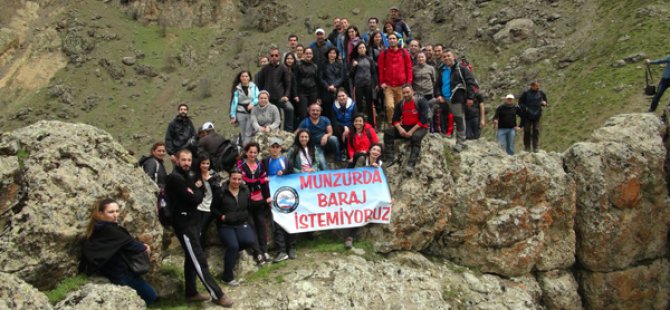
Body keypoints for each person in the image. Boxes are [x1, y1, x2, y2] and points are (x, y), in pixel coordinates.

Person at [165, 149, 233, 307]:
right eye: (183, 160)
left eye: (189, 160)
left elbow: (198, 194)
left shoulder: (188, 176)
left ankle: (191, 292)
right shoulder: (174, 178)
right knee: (198, 259)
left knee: (191, 258)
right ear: (176, 160)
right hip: (184, 225)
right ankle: (217, 294)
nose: (187, 163)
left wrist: (196, 190)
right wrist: (196, 190)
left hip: (193, 222)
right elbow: (194, 198)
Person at [82, 198, 157, 306]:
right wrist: (145, 248)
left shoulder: (97, 228)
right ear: (100, 214)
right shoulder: (110, 230)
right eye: (111, 212)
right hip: (121, 274)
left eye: (117, 211)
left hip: (110, 271)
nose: (115, 215)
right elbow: (133, 245)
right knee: (150, 296)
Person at [211, 168, 262, 286]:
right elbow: (213, 209)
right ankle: (227, 277)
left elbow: (249, 206)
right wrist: (222, 217)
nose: (237, 181)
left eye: (239, 179)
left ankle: (232, 252)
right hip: (225, 225)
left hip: (241, 223)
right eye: (234, 178)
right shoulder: (221, 192)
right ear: (229, 178)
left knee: (249, 241)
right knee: (233, 246)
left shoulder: (245, 190)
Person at [341, 143, 384, 248]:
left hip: (368, 192)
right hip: (354, 188)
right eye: (374, 149)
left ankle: (350, 237)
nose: (375, 152)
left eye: (378, 151)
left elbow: (384, 180)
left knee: (362, 211)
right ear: (369, 150)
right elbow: (357, 173)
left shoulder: (381, 164)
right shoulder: (361, 158)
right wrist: (370, 167)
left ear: (380, 154)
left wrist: (390, 196)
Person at [435, 49, 478, 151]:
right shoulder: (441, 70)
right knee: (432, 108)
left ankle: (460, 142)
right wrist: (438, 95)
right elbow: (437, 85)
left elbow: (471, 83)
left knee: (459, 119)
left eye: (448, 56)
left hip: (456, 98)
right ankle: (439, 135)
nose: (446, 58)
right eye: (444, 57)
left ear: (453, 56)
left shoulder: (461, 69)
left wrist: (470, 97)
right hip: (444, 99)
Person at [236, 142, 271, 263]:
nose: (252, 154)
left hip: (259, 200)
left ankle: (265, 250)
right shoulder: (240, 165)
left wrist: (267, 197)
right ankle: (257, 252)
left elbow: (265, 182)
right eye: (250, 152)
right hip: (246, 201)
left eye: (255, 152)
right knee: (251, 226)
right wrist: (258, 181)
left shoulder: (260, 165)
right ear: (246, 152)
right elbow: (242, 182)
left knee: (261, 224)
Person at [261, 138, 295, 262]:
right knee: (276, 223)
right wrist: (266, 196)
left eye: (277, 146)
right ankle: (281, 250)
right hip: (272, 196)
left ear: (280, 148)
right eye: (272, 147)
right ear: (269, 148)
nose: (275, 149)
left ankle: (291, 248)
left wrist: (284, 172)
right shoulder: (266, 161)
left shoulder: (286, 161)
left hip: (286, 196)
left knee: (289, 221)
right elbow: (262, 178)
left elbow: (293, 175)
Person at [383, 85, 429, 174]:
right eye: (403, 93)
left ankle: (411, 163)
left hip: (420, 127)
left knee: (415, 137)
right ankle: (390, 158)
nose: (405, 95)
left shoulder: (421, 101)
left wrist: (411, 132)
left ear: (412, 92)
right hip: (406, 126)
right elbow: (394, 120)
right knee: (388, 132)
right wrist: (400, 129)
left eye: (408, 92)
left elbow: (423, 119)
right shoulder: (401, 104)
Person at [256, 47, 294, 132]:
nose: (274, 57)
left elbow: (288, 84)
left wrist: (286, 96)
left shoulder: (283, 68)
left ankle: (288, 131)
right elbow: (260, 84)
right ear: (269, 57)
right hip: (269, 99)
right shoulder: (264, 69)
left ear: (279, 56)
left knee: (290, 108)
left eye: (276, 55)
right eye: (272, 55)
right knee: (277, 117)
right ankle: (276, 133)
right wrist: (262, 96)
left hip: (281, 97)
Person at [378, 33, 413, 124]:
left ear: (397, 40)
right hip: (388, 86)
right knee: (390, 106)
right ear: (387, 41)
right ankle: (392, 123)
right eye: (390, 39)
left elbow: (409, 68)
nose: (392, 40)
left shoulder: (404, 52)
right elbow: (380, 68)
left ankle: (401, 124)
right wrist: (382, 82)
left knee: (401, 106)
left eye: (394, 38)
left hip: (402, 85)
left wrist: (408, 83)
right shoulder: (384, 53)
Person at [194, 154, 219, 248]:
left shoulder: (214, 175)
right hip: (198, 206)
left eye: (207, 163)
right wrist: (196, 187)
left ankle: (201, 250)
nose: (205, 165)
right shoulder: (196, 175)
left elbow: (218, 191)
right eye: (203, 163)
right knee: (197, 229)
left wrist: (210, 180)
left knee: (201, 229)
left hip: (210, 207)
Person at [350, 42, 378, 123]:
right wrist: (353, 67)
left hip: (368, 85)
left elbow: (374, 73)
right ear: (357, 50)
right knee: (359, 106)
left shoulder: (370, 59)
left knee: (370, 105)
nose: (362, 49)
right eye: (360, 48)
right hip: (358, 85)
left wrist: (376, 84)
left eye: (363, 47)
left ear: (365, 49)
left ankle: (372, 124)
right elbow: (350, 75)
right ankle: (359, 123)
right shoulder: (354, 60)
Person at [230, 70, 259, 146]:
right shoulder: (237, 88)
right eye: (243, 76)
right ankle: (244, 148)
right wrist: (233, 116)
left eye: (246, 76)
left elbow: (257, 97)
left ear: (249, 77)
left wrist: (252, 103)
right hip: (240, 112)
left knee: (248, 132)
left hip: (251, 112)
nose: (244, 78)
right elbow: (234, 103)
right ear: (240, 78)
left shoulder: (254, 87)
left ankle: (247, 147)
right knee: (243, 132)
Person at [518, 81, 548, 152]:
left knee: (536, 130)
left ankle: (535, 147)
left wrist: (544, 103)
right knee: (527, 130)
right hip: (527, 115)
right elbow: (520, 103)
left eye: (538, 86)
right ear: (532, 86)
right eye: (536, 86)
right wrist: (525, 107)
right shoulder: (526, 93)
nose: (538, 87)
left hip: (537, 114)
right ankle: (527, 147)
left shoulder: (541, 93)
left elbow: (545, 101)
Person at [319, 47, 347, 120]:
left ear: (336, 55)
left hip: (336, 89)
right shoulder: (323, 64)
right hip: (326, 89)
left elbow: (341, 77)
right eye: (330, 53)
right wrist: (327, 86)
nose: (332, 55)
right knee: (327, 109)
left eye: (334, 53)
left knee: (337, 108)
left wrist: (334, 85)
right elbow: (321, 78)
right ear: (328, 54)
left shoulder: (340, 64)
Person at [295, 47, 320, 123]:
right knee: (303, 113)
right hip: (302, 91)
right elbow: (295, 80)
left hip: (313, 91)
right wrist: (295, 94)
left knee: (312, 112)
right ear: (303, 54)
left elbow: (317, 80)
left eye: (310, 53)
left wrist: (319, 96)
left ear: (312, 55)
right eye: (307, 53)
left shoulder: (315, 66)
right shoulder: (298, 65)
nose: (308, 55)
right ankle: (303, 131)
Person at [331, 88, 357, 160]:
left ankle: (349, 151)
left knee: (349, 132)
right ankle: (343, 150)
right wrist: (344, 127)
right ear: (337, 97)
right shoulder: (334, 106)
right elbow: (333, 120)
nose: (341, 98)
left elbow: (355, 118)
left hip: (351, 125)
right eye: (339, 96)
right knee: (338, 130)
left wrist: (348, 127)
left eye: (343, 95)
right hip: (340, 126)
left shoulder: (352, 104)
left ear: (347, 96)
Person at [283, 53, 301, 129]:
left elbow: (295, 84)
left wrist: (296, 95)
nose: (289, 60)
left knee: (296, 114)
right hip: (284, 95)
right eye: (288, 59)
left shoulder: (296, 69)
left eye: (291, 59)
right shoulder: (282, 69)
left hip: (294, 95)